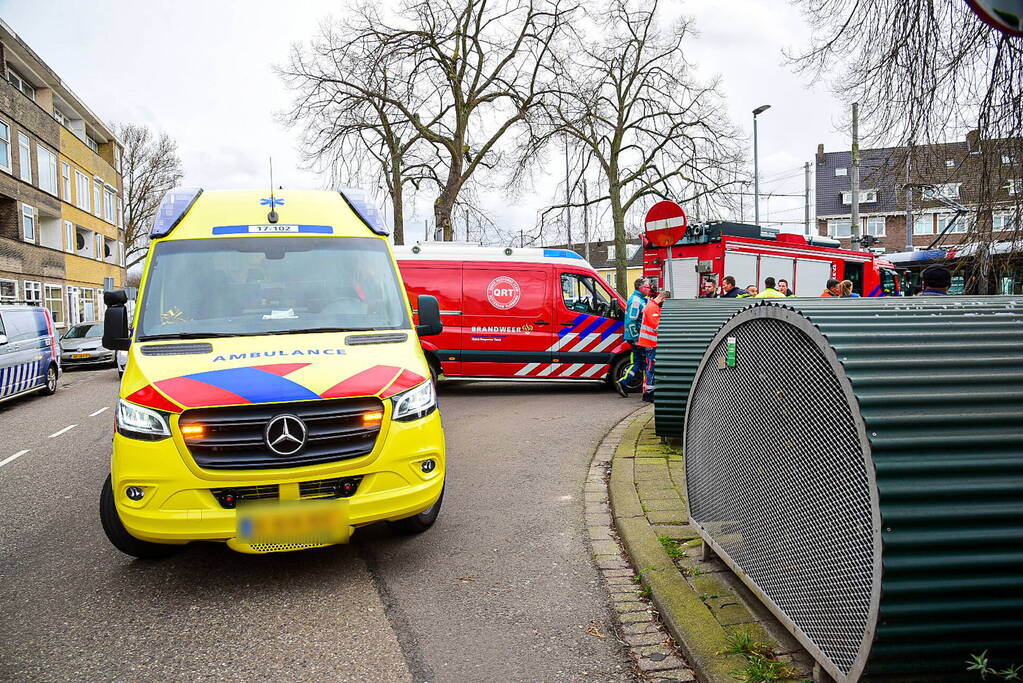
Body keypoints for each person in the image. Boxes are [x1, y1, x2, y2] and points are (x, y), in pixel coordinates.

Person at [617, 277, 652, 396]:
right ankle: (624, 382)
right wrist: (636, 339)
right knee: (642, 363)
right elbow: (631, 322)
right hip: (636, 339)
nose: (649, 289)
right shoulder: (636, 301)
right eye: (648, 287)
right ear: (641, 288)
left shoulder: (639, 299)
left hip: (637, 338)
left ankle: (624, 382)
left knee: (639, 362)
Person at [636, 289, 668, 403]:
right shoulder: (652, 308)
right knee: (651, 369)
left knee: (650, 368)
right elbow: (657, 326)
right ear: (663, 299)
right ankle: (649, 393)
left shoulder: (653, 306)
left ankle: (648, 391)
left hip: (650, 343)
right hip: (650, 343)